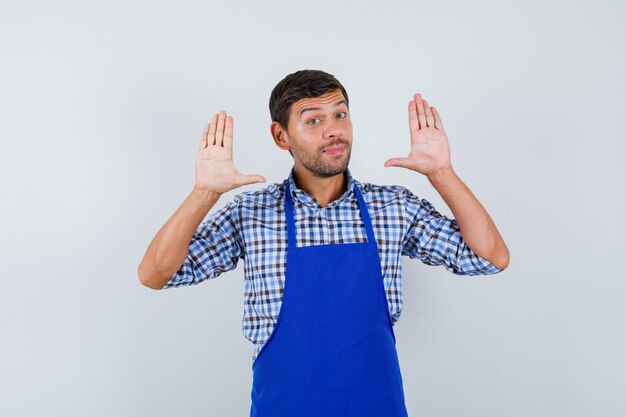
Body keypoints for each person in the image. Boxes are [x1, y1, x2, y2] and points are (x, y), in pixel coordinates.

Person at [138, 69, 509, 417]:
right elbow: (156, 273)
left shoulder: (393, 207)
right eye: (313, 120)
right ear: (281, 136)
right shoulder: (251, 213)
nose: (333, 131)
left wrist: (441, 174)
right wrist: (204, 193)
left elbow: (490, 256)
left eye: (340, 115)